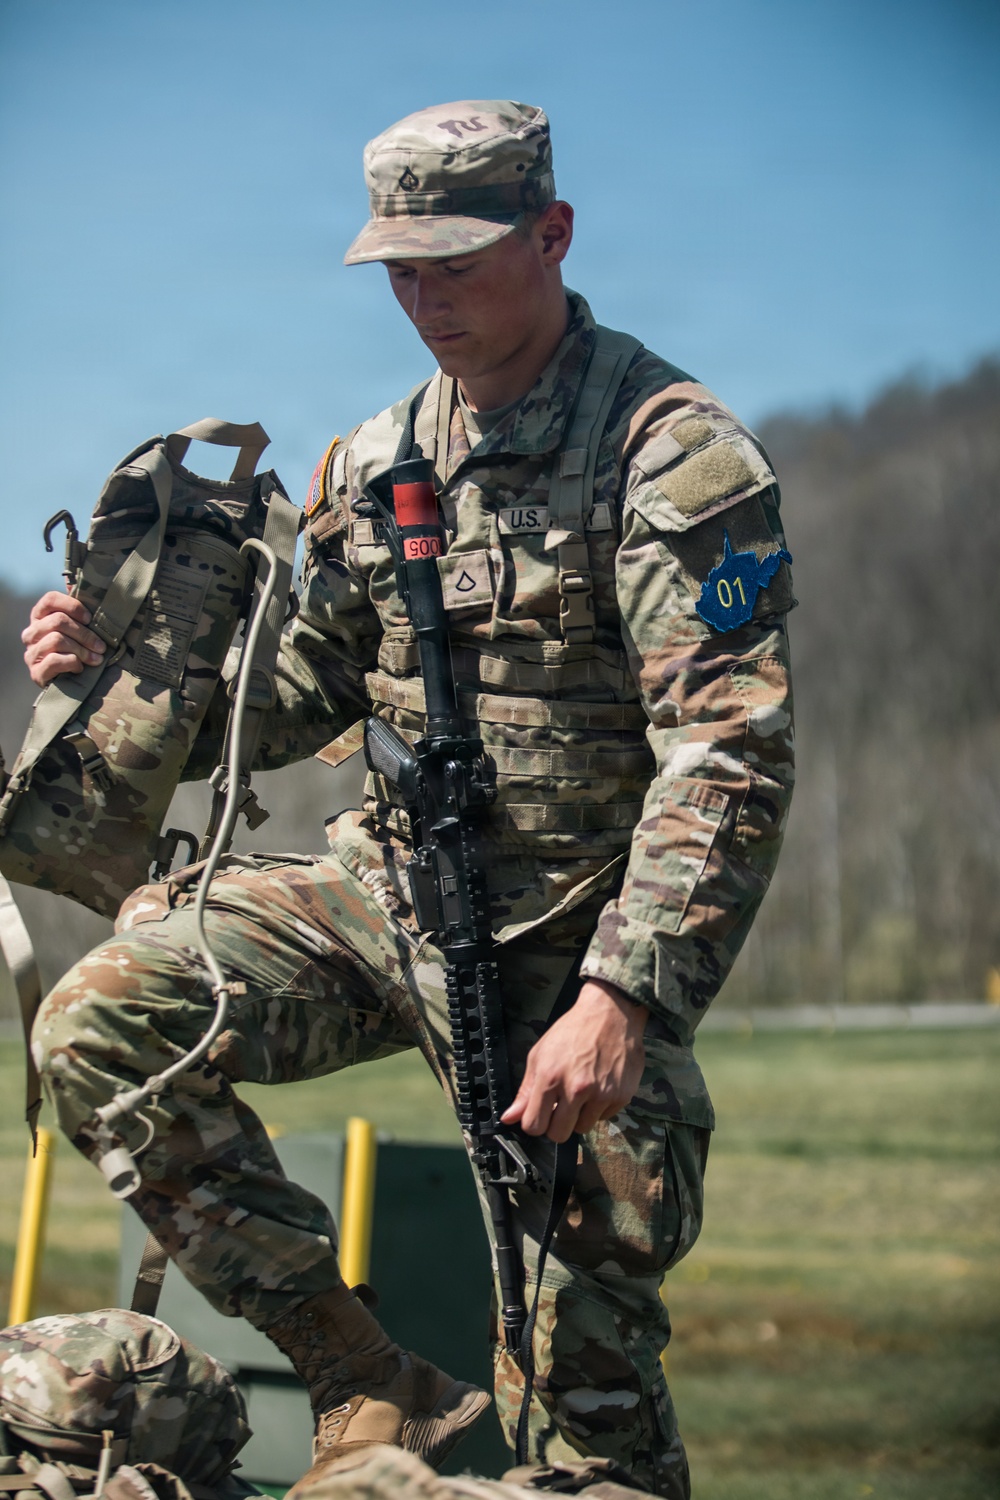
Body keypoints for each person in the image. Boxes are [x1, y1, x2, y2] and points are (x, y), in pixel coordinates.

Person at [21, 101, 795, 1498]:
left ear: (552, 235)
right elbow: (297, 695)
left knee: (582, 1396)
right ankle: (362, 1379)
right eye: (398, 268)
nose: (422, 299)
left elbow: (727, 756)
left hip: (567, 948)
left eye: (454, 261)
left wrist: (625, 998)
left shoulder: (672, 456)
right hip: (384, 896)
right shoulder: (373, 464)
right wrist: (119, 688)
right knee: (102, 1026)